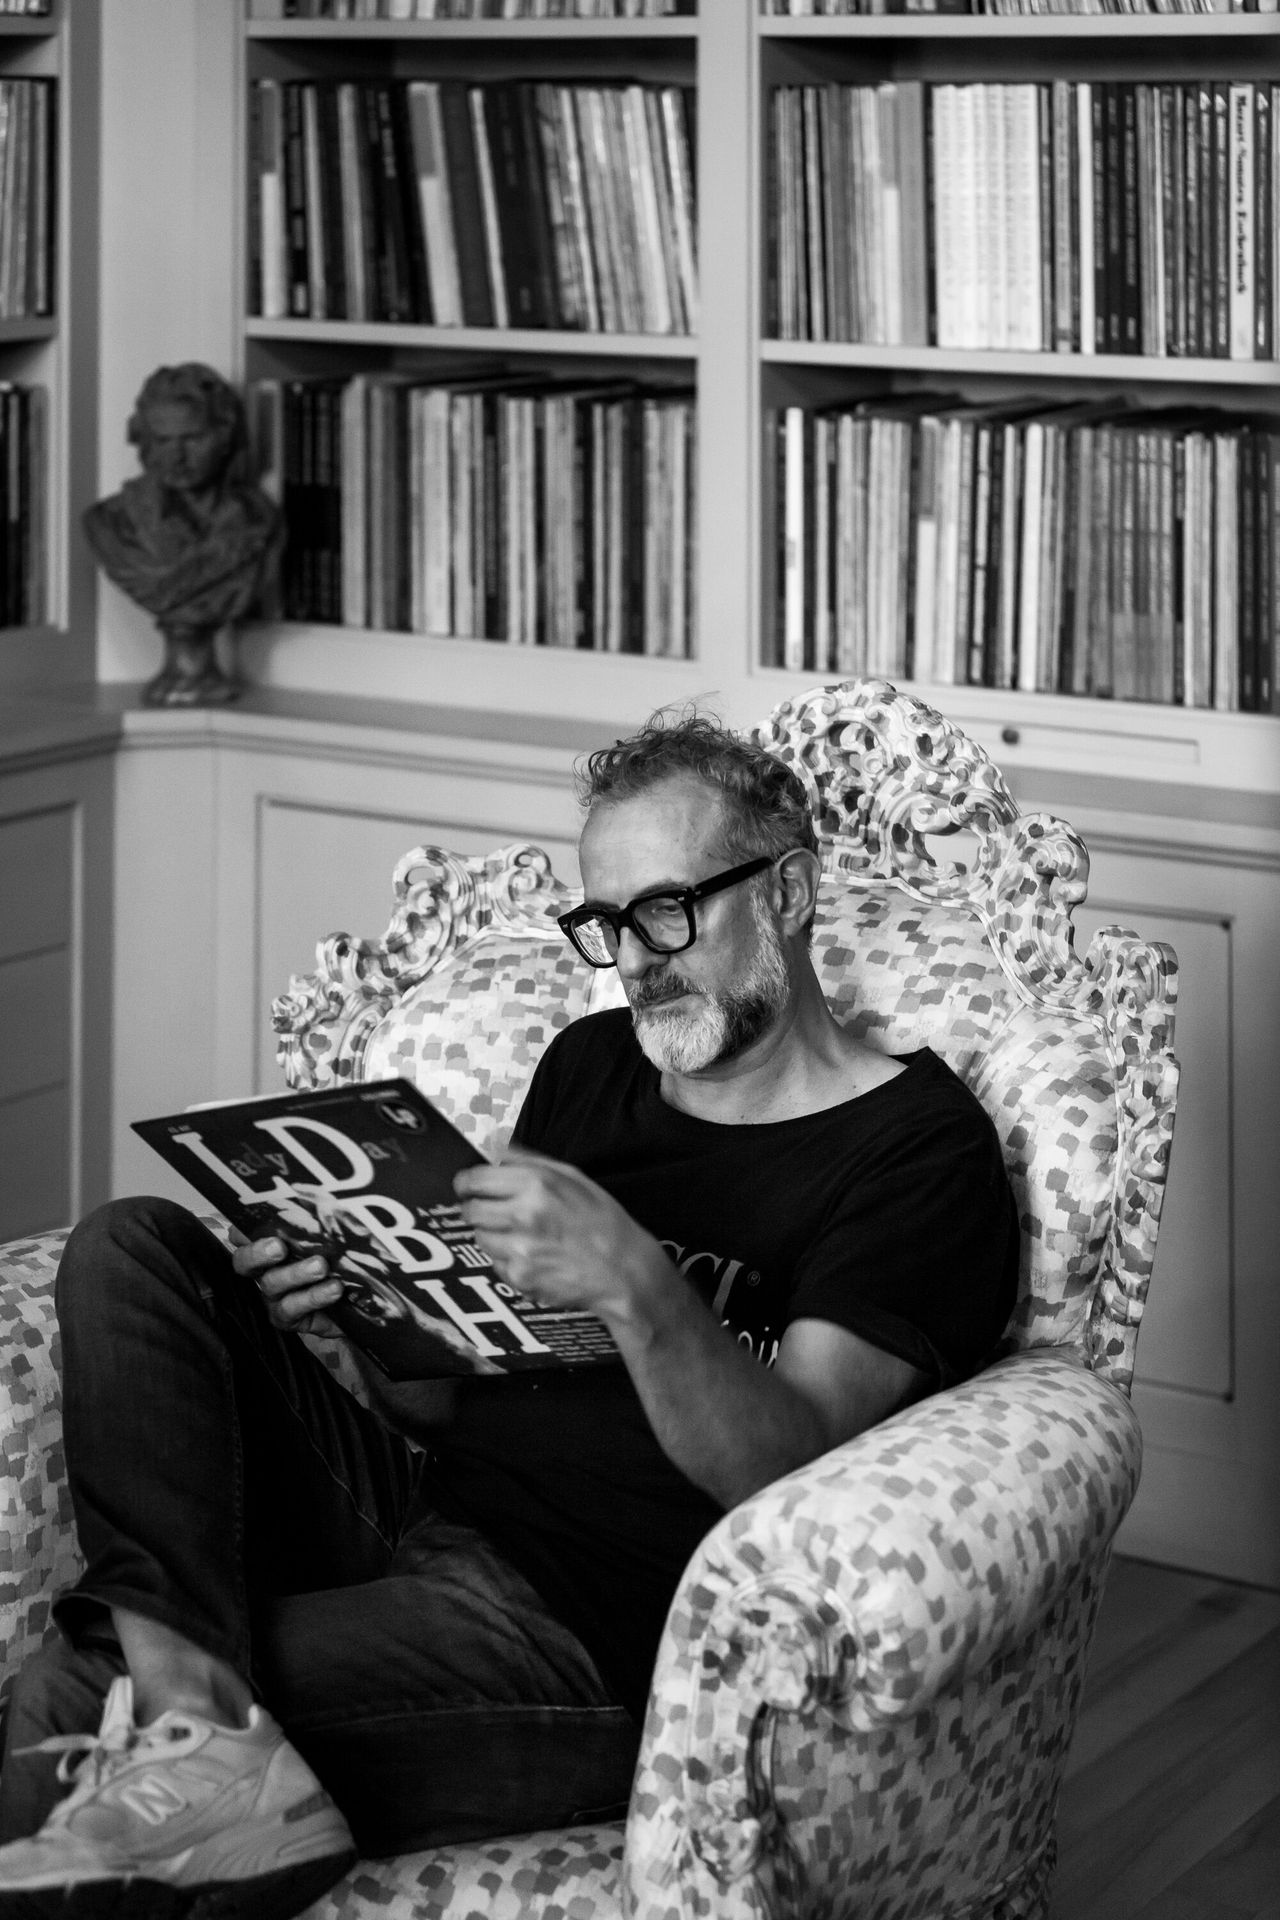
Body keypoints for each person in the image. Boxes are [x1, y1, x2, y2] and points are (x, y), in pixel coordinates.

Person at [0, 712, 1020, 1920]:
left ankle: (198, 1744)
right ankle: (199, 1727)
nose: (636, 958)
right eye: (607, 923)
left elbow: (787, 1460)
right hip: (430, 1501)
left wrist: (638, 1286)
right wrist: (363, 1313)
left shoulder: (914, 1153)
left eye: (666, 910)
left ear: (788, 892)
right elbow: (459, 1387)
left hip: (596, 1628)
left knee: (79, 1683)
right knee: (136, 1249)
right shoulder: (592, 1063)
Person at [82, 363, 282, 706]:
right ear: (143, 442)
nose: (177, 456)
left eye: (193, 439)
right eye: (162, 440)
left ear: (224, 438)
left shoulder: (259, 522)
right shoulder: (110, 524)